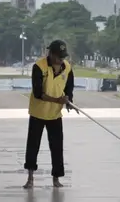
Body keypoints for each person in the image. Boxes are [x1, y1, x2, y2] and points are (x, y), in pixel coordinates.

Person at [23, 39, 77, 189]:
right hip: (38, 113)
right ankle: (30, 178)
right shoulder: (39, 67)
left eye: (63, 57)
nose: (61, 60)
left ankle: (56, 179)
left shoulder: (67, 68)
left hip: (55, 115)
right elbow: (38, 93)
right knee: (33, 146)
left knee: (57, 147)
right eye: (59, 56)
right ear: (51, 54)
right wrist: (58, 100)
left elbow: (69, 89)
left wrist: (68, 101)